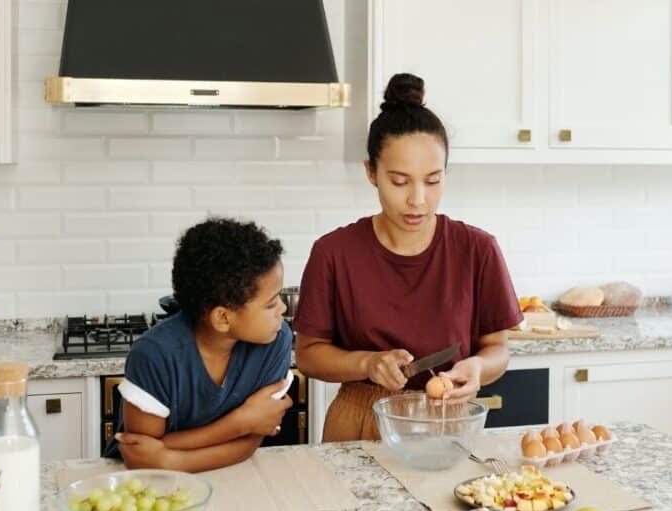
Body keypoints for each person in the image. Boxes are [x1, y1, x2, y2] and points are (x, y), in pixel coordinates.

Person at [293, 73, 523, 442]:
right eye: (399, 181)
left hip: (447, 424)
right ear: (371, 172)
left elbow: (497, 349)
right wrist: (366, 363)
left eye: (432, 181)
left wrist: (478, 368)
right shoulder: (333, 253)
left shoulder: (477, 249)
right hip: (360, 423)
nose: (418, 199)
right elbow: (308, 355)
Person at [107, 218, 294, 471]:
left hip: (227, 475)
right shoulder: (155, 355)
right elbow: (140, 453)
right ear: (223, 318)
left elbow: (249, 442)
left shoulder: (276, 340)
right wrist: (240, 422)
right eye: (271, 303)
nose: (282, 308)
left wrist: (169, 459)